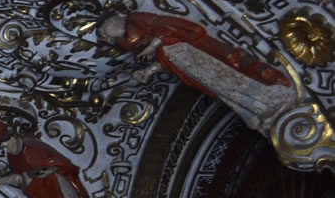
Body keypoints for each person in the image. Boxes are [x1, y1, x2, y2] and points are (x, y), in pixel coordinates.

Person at [98, 12, 295, 135]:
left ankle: (268, 98)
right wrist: (148, 71)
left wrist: (154, 45)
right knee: (220, 88)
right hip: (181, 63)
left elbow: (171, 28)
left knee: (228, 78)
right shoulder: (128, 37)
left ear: (114, 17)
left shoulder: (137, 19)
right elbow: (162, 59)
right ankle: (256, 110)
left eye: (105, 30)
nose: (107, 35)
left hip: (191, 53)